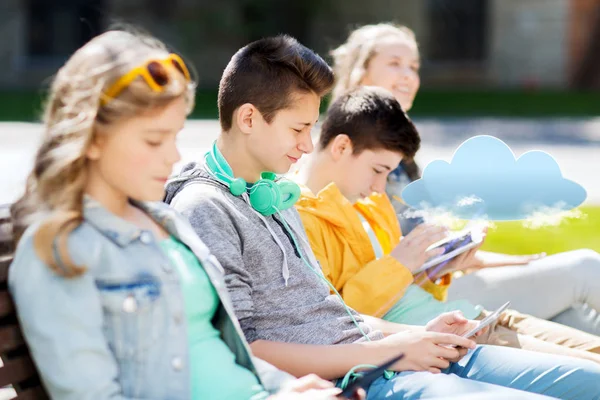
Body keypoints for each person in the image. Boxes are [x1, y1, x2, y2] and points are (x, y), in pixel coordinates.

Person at [164, 34, 600, 400]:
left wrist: (415, 333)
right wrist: (390, 351)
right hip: (367, 377)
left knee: (590, 380)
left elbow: (332, 313)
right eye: (298, 129)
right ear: (249, 118)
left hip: (389, 351)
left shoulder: (273, 193)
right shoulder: (205, 206)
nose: (306, 144)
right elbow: (244, 347)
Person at [8, 30, 352, 400]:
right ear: (92, 138)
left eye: (175, 136)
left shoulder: (164, 223)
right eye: (154, 140)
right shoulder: (60, 252)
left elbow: (215, 344)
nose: (173, 157)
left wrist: (285, 387)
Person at [295, 85, 600, 364]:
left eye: (386, 173)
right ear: (341, 147)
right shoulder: (302, 218)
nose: (379, 186)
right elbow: (336, 321)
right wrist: (399, 264)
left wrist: (436, 268)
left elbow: (402, 291)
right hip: (456, 339)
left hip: (478, 317)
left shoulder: (370, 205)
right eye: (377, 170)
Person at [330, 22, 600, 335]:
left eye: (414, 67)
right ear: (361, 74)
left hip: (439, 280)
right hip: (411, 300)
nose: (408, 76)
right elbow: (367, 262)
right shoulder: (344, 153)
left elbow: (426, 247)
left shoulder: (401, 155)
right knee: (585, 267)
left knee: (572, 317)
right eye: (394, 64)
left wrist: (487, 257)